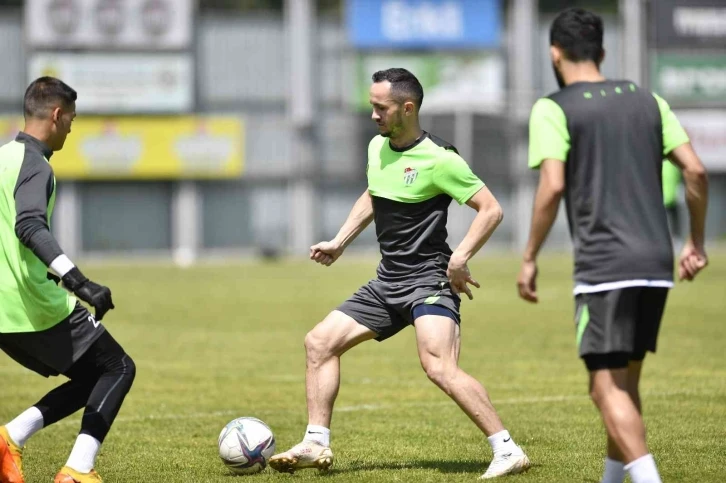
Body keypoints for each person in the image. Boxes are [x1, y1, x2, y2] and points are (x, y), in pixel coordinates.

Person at [269, 68, 530, 479]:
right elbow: (374, 192)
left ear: (407, 109)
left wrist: (460, 258)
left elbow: (491, 209)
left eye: (381, 108)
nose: (373, 115)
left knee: (438, 366)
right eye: (372, 106)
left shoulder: (441, 159)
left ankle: (507, 450)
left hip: (428, 280)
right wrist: (340, 240)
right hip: (388, 280)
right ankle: (316, 441)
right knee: (319, 343)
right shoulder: (378, 147)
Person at [517, 8, 708, 483]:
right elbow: (695, 170)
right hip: (656, 262)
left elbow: (552, 185)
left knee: (604, 389)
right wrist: (695, 241)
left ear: (554, 53)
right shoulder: (649, 100)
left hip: (605, 264)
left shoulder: (553, 108)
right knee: (623, 383)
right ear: (602, 52)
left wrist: (530, 256)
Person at [0, 77, 136, 483]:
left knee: (92, 374)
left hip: (4, 312)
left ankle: (9, 439)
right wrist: (79, 282)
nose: (72, 129)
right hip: (31, 304)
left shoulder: (3, 157)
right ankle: (78, 469)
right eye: (72, 120)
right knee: (118, 367)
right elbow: (29, 226)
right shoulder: (34, 164)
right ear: (57, 115)